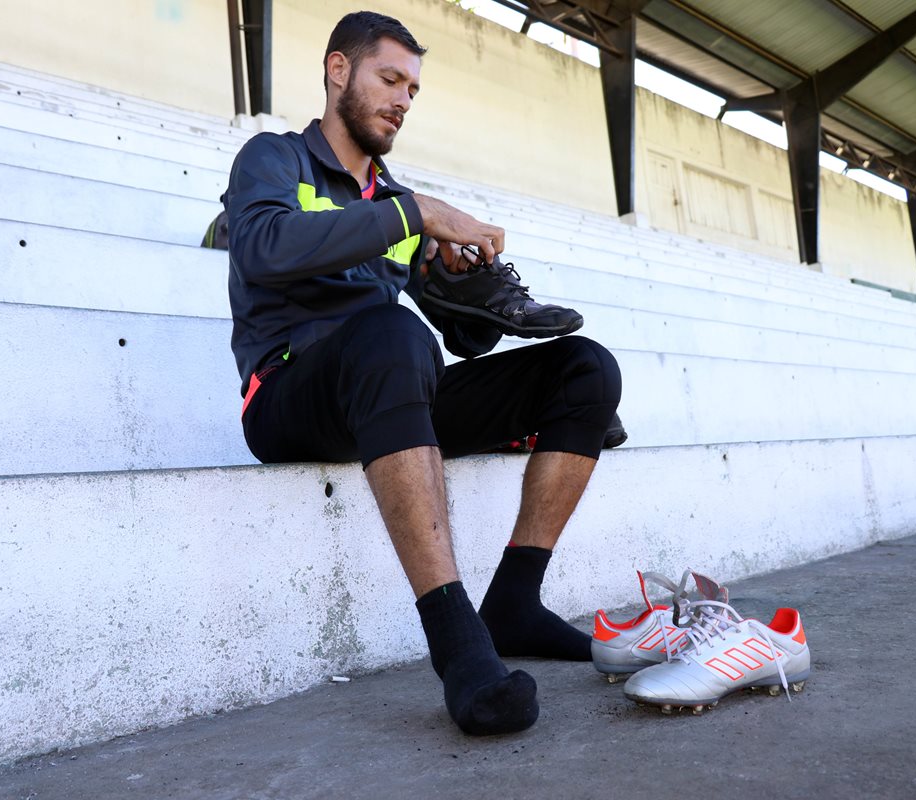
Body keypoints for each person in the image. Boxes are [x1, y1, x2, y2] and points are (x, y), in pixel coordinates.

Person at [223, 10, 622, 736]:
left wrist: (463, 282)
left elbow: (464, 344)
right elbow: (262, 248)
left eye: (412, 87)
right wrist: (413, 215)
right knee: (391, 333)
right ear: (338, 70)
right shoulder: (274, 158)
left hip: (390, 388)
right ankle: (458, 644)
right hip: (289, 394)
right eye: (389, 79)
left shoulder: (391, 199)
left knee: (585, 370)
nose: (403, 99)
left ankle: (517, 602)